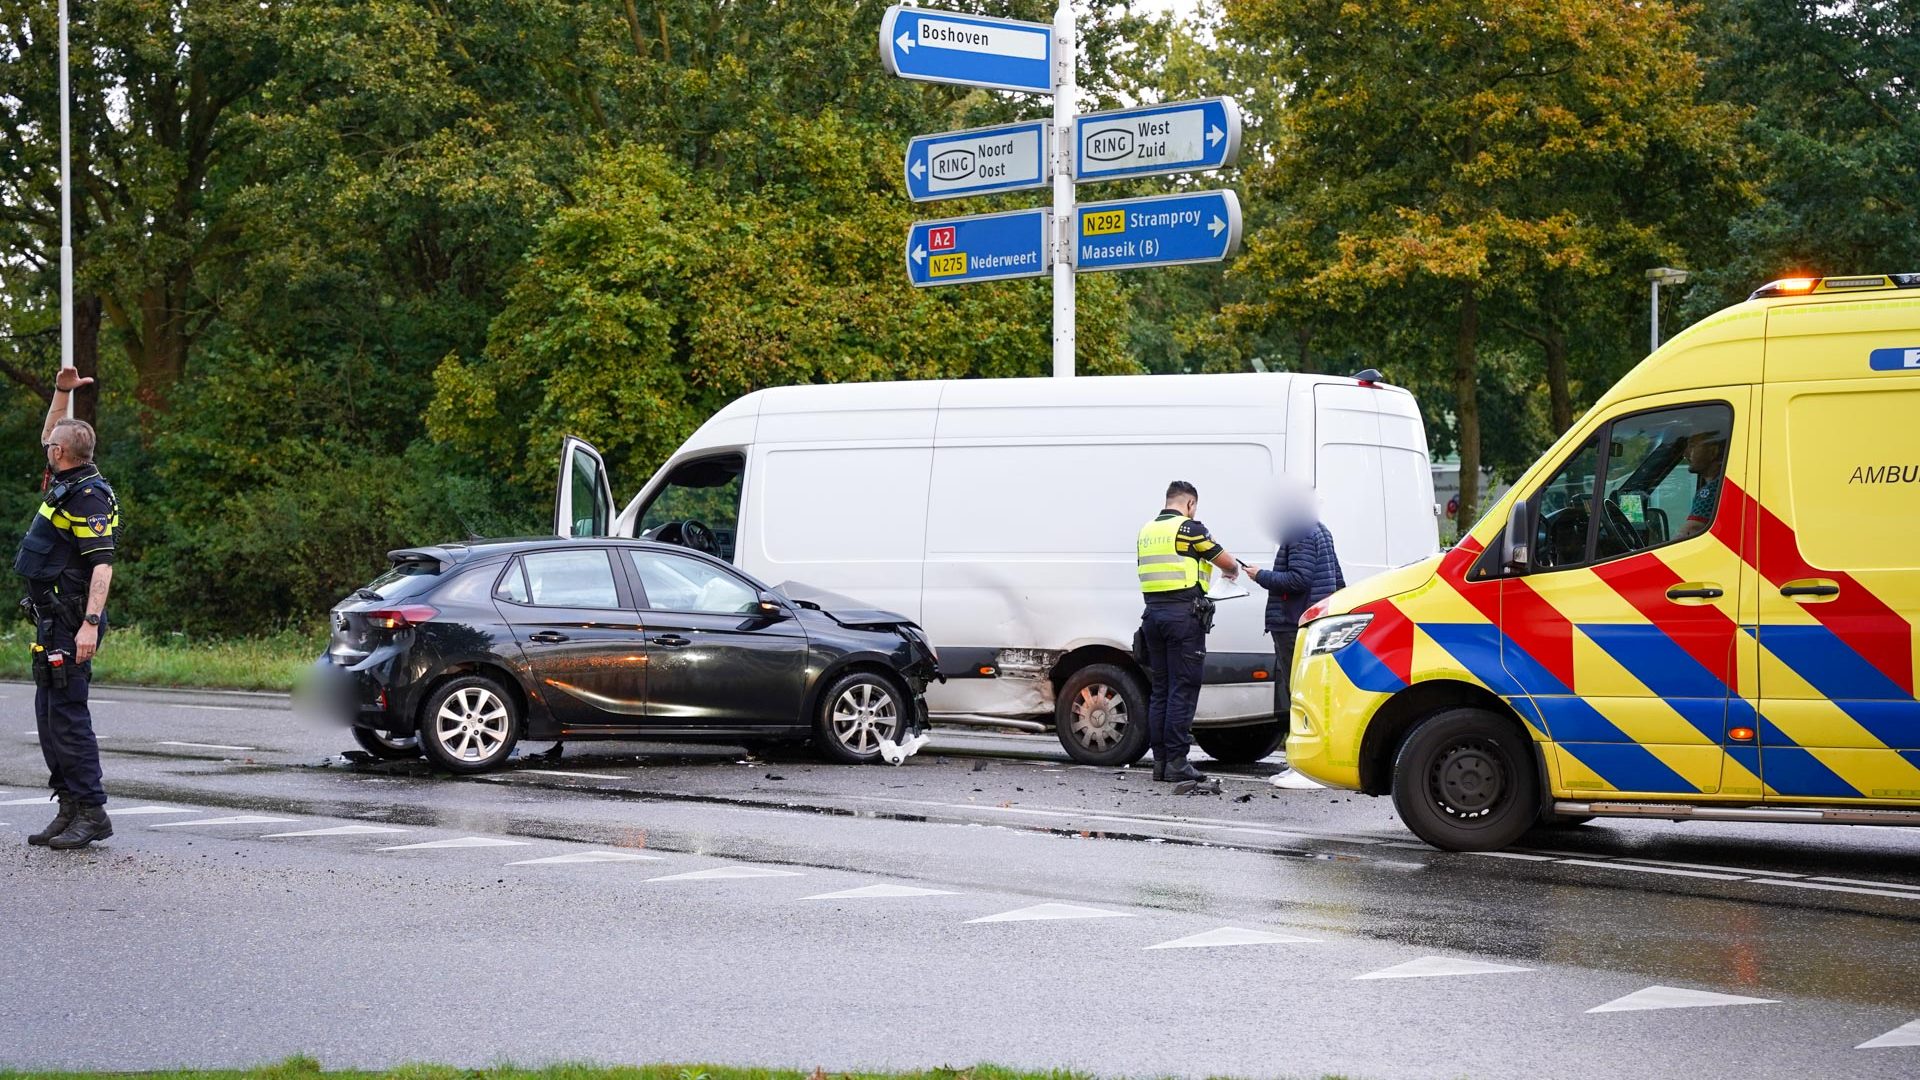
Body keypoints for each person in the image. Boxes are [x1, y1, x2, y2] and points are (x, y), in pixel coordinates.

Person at [17, 367, 119, 849]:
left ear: (63, 453)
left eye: (52, 443)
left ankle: (92, 811)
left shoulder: (88, 496)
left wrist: (90, 625)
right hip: (49, 619)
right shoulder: (64, 478)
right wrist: (62, 393)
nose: (46, 444)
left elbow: (102, 567)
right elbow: (48, 433)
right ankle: (69, 806)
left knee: (70, 716)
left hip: (72, 622)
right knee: (49, 715)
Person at [1136, 480, 1250, 785]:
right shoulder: (1190, 529)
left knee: (1161, 688)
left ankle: (1160, 762)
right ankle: (1176, 761)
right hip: (1182, 616)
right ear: (1190, 504)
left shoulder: (1146, 531)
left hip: (1152, 615)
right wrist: (1232, 572)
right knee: (1183, 687)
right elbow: (1226, 561)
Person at [1247, 488, 1346, 729]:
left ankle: (1300, 755)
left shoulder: (1299, 533)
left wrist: (1260, 575)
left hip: (1293, 622)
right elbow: (1338, 577)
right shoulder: (1321, 530)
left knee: (1299, 690)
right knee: (1314, 690)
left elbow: (1297, 580)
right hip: (1314, 621)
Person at [1679, 431, 1726, 540]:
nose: (1685, 453)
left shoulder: (1712, 491)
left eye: (1692, 446)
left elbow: (1690, 531)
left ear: (1713, 451)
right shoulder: (1720, 484)